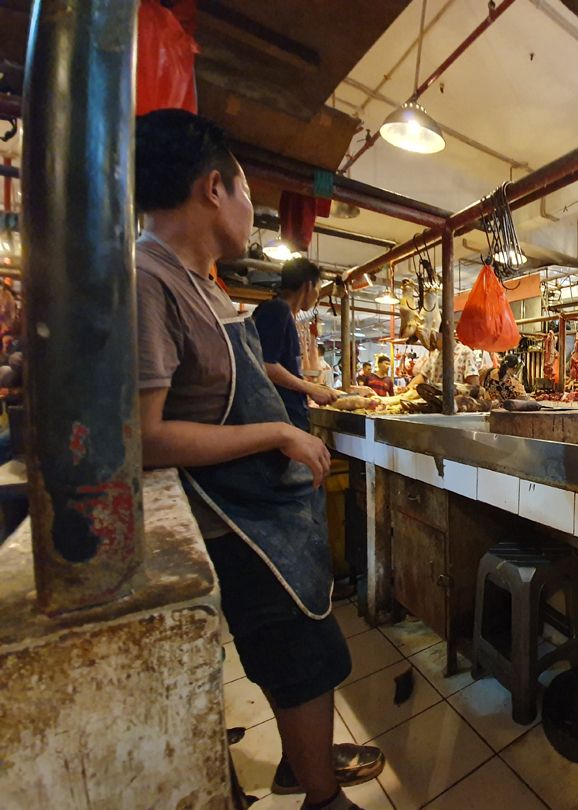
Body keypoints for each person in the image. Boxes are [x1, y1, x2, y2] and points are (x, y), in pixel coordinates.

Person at [134, 109, 379, 810]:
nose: (250, 211)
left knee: (304, 657)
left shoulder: (203, 282)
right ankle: (321, 797)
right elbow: (145, 434)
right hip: (236, 524)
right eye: (246, 193)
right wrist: (277, 436)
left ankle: (303, 769)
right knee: (300, 660)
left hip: (267, 513)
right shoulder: (149, 278)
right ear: (214, 188)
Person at [252, 257, 338, 431]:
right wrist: (310, 388)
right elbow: (265, 365)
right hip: (278, 419)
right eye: (318, 289)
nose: (317, 296)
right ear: (308, 286)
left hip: (283, 418)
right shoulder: (278, 310)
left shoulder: (280, 312)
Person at [408, 329, 479, 388]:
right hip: (436, 402)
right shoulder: (434, 353)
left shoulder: (465, 352)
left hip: (456, 403)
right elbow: (423, 376)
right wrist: (407, 388)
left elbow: (474, 386)